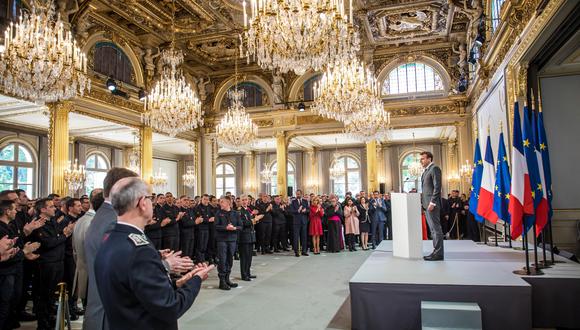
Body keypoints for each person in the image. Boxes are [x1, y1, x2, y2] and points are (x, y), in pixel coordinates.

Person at [94, 177, 213, 330]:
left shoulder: (111, 238)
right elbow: (170, 307)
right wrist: (196, 280)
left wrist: (178, 283)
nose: (153, 203)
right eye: (150, 199)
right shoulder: (140, 251)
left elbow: (136, 292)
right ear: (142, 202)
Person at [84, 167, 139, 330]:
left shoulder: (105, 214)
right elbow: (119, 270)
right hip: (108, 314)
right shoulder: (113, 221)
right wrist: (164, 266)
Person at [33, 198, 74, 330]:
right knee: (44, 294)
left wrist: (63, 233)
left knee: (52, 294)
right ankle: (43, 324)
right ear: (43, 209)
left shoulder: (52, 221)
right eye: (51, 207)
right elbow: (48, 243)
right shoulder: (38, 223)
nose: (54, 208)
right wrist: (64, 235)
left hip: (58, 261)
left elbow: (56, 237)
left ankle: (51, 319)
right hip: (47, 263)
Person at [0, 200, 40, 330]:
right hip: (5, 273)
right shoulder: (2, 229)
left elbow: (15, 247)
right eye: (13, 209)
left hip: (12, 271)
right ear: (7, 211)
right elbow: (6, 256)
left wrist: (23, 249)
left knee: (10, 304)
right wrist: (24, 252)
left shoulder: (9, 225)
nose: (16, 211)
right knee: (3, 307)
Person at [72, 189, 104, 311]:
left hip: (82, 269)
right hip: (92, 273)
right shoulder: (94, 222)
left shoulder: (81, 220)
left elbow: (74, 249)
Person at [420, 151, 444, 261]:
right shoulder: (425, 172)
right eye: (421, 159)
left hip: (432, 205)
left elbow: (437, 187)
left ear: (429, 159)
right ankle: (436, 251)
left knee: (436, 229)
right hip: (426, 204)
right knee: (433, 230)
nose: (421, 161)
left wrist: (432, 202)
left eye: (423, 159)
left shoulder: (434, 168)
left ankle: (438, 254)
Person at [214, 196, 241, 290]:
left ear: (228, 203)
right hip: (222, 240)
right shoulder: (218, 213)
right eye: (220, 202)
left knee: (230, 259)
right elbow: (216, 226)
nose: (220, 203)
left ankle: (227, 279)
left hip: (232, 239)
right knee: (222, 260)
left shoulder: (235, 213)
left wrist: (234, 228)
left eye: (222, 202)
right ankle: (222, 281)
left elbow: (240, 226)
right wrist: (226, 227)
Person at [238, 195, 261, 281]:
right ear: (240, 201)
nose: (244, 201)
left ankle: (248, 273)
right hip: (244, 236)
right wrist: (254, 220)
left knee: (249, 256)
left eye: (246, 200)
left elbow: (251, 222)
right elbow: (242, 223)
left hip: (250, 236)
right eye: (243, 200)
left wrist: (255, 220)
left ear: (248, 201)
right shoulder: (239, 211)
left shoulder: (248, 210)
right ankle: (244, 275)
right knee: (244, 257)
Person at [290, 190, 309, 257]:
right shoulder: (293, 202)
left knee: (304, 236)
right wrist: (297, 210)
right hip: (296, 222)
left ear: (301, 194)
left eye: (299, 194)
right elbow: (291, 211)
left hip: (304, 221)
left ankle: (304, 251)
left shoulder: (305, 201)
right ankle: (296, 251)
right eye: (297, 194)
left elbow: (308, 210)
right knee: (296, 237)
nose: (298, 195)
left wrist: (305, 210)